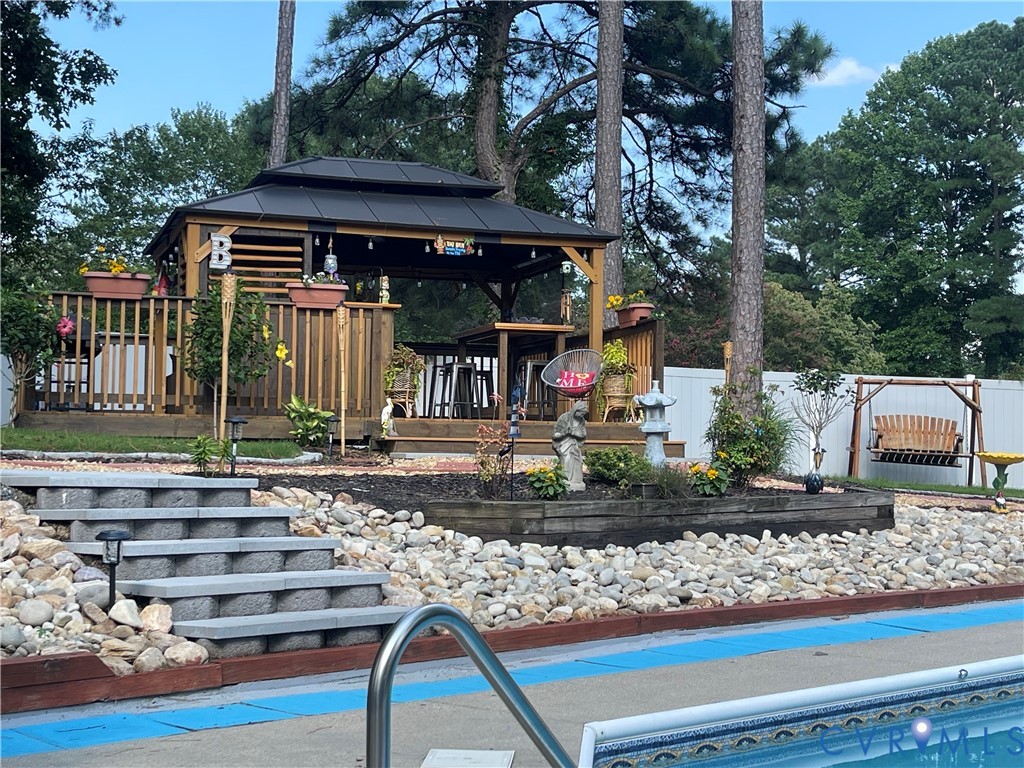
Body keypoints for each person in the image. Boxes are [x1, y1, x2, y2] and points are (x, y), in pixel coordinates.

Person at [552, 400, 588, 491]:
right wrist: (565, 433)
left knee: (577, 460)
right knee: (567, 459)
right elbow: (555, 433)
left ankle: (576, 480)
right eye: (580, 413)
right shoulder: (564, 418)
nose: (581, 416)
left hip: (574, 444)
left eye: (583, 414)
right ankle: (566, 478)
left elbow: (583, 434)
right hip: (564, 443)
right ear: (575, 410)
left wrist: (576, 434)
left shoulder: (581, 421)